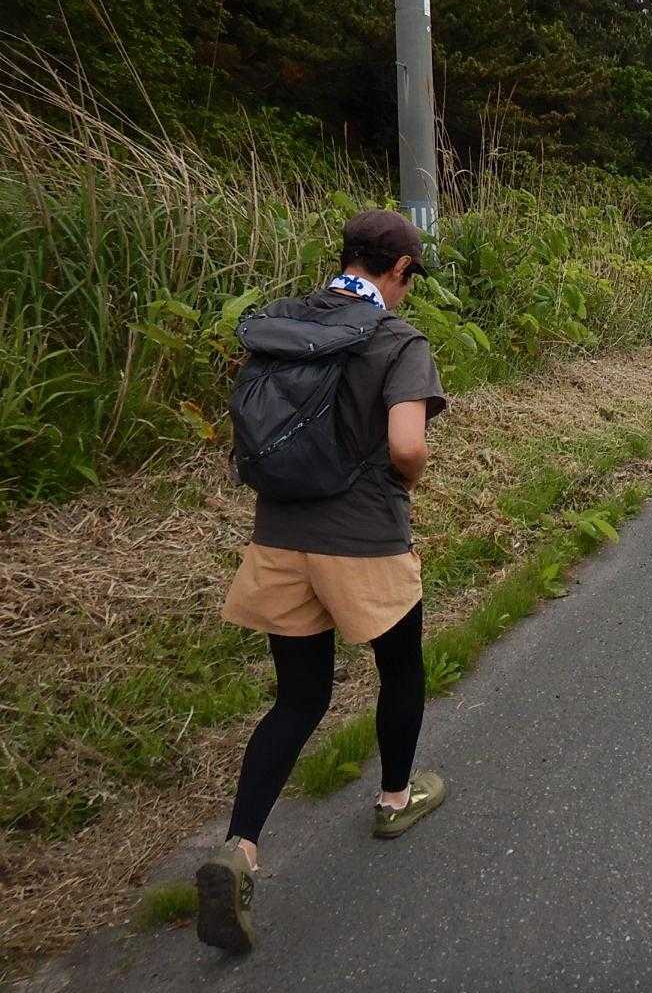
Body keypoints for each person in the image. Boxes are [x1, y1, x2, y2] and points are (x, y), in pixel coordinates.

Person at [195, 210, 449, 954]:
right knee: (401, 670)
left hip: (279, 535)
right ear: (398, 270)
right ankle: (395, 798)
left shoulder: (285, 322)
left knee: (299, 698)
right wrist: (407, 482)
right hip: (363, 539)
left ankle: (239, 848)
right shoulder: (397, 340)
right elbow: (407, 445)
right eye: (410, 278)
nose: (408, 290)